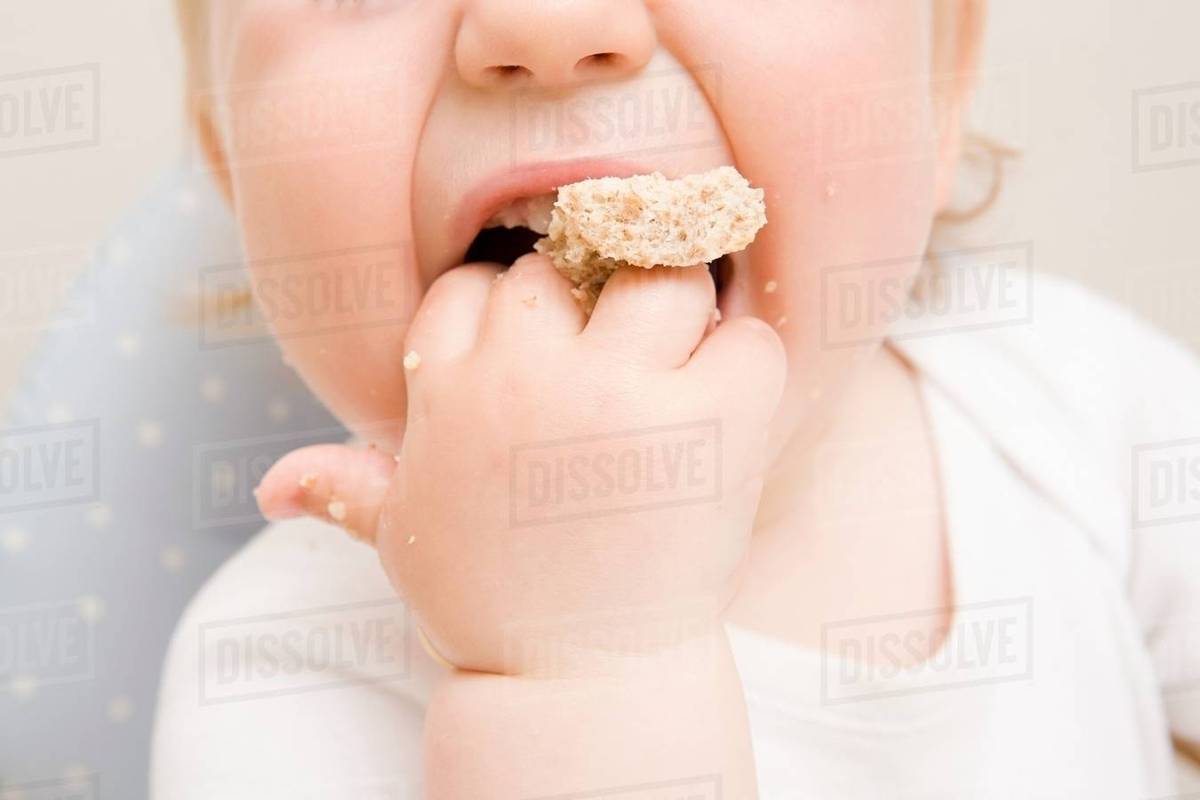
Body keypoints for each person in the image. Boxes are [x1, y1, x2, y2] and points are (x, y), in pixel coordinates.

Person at [152, 1, 1200, 797]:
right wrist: (581, 681)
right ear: (234, 173)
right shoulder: (268, 671)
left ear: (939, 91)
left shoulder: (1078, 396)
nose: (549, 25)